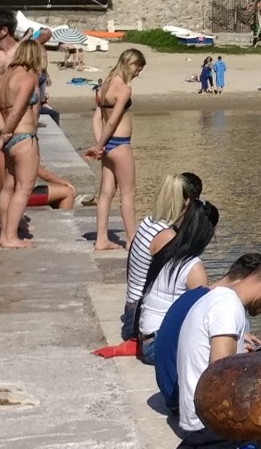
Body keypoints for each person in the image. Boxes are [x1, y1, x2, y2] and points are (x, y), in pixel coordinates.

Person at [150, 252, 261, 449]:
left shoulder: (218, 296)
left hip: (198, 414)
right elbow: (220, 376)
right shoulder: (227, 309)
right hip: (207, 423)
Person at [98, 171, 203, 357]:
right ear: (187, 203)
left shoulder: (150, 222)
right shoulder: (166, 236)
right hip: (137, 319)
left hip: (132, 307)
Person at [0, 38, 54, 248]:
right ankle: (10, 237)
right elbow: (19, 109)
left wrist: (4, 133)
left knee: (8, 188)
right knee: (24, 188)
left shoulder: (4, 78)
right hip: (24, 137)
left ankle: (4, 233)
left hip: (10, 140)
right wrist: (8, 133)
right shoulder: (27, 78)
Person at [85, 48, 144, 251]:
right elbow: (112, 122)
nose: (138, 73)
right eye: (139, 68)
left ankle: (101, 239)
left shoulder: (104, 85)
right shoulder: (124, 88)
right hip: (119, 143)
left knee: (106, 193)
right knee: (129, 193)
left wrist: (99, 145)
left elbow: (97, 118)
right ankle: (131, 240)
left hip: (107, 146)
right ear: (131, 64)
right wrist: (99, 145)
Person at [134, 198, 218, 341]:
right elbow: (202, 313)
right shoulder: (193, 267)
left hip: (147, 334)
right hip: (158, 341)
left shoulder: (168, 251)